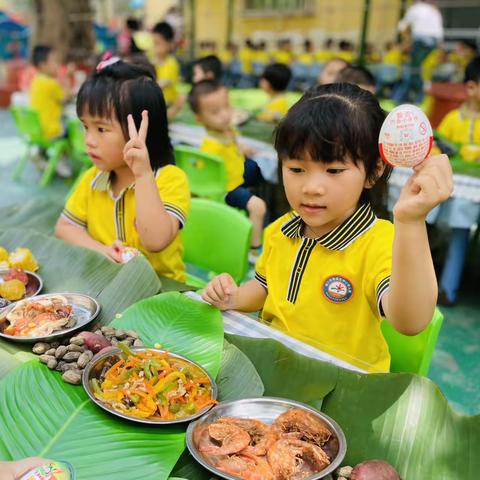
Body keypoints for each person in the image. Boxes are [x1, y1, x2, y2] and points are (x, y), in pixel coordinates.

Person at [203, 83, 453, 373]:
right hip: (273, 370)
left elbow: (410, 321)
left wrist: (411, 222)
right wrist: (233, 297)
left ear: (372, 172)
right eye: (296, 169)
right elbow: (264, 287)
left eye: (334, 171)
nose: (311, 188)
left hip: (343, 388)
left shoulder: (380, 241)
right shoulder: (282, 229)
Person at [55, 59, 190, 282]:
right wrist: (101, 250)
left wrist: (143, 175)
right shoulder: (92, 178)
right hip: (109, 283)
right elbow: (64, 227)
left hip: (160, 294)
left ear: (142, 130)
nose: (88, 140)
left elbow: (155, 241)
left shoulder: (170, 179)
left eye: (101, 129)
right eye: (85, 127)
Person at [187, 80, 266, 261]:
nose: (224, 115)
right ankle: (254, 251)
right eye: (215, 112)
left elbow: (236, 143)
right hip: (226, 189)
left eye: (227, 107)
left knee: (256, 169)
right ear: (199, 119)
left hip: (237, 177)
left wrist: (243, 147)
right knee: (259, 207)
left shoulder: (228, 130)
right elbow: (203, 178)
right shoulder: (210, 147)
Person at [436, 56, 480, 306]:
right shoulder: (454, 119)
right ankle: (447, 290)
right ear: (471, 87)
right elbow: (439, 147)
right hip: (460, 192)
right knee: (459, 231)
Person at [395, 0, 443, 103]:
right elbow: (439, 34)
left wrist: (404, 38)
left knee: (414, 71)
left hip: (420, 40)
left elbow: (403, 25)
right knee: (420, 71)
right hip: (433, 43)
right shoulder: (434, 11)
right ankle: (419, 97)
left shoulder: (416, 8)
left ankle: (409, 99)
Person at [151, 21, 183, 119]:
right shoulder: (153, 61)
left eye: (158, 44)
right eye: (154, 43)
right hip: (157, 101)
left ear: (169, 44)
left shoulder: (171, 63)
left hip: (168, 103)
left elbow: (163, 83)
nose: (155, 47)